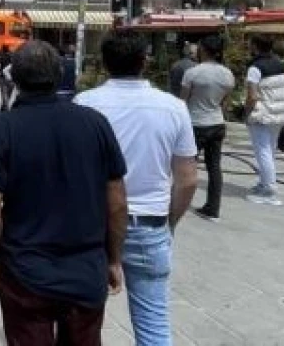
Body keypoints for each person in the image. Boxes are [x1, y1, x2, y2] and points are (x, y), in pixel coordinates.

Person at [0, 41, 128, 346]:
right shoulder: (95, 123)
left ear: (14, 80)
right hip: (85, 269)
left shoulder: (2, 129)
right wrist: (113, 258)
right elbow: (117, 204)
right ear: (60, 75)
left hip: (25, 273)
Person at [76, 31, 198, 346]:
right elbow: (187, 179)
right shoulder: (172, 108)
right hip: (150, 225)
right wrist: (170, 220)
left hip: (93, 228)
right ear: (145, 61)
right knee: (153, 325)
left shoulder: (84, 105)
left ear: (103, 63)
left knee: (83, 324)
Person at [243, 35, 284, 206]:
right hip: (279, 114)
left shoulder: (255, 68)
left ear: (255, 46)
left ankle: (269, 190)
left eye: (250, 43)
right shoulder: (282, 65)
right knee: (269, 150)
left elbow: (252, 95)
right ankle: (264, 183)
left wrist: (247, 113)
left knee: (262, 151)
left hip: (262, 114)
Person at [180, 35, 235, 222]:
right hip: (217, 123)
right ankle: (213, 208)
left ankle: (179, 202)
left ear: (203, 49)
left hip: (194, 124)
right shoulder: (228, 74)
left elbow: (182, 101)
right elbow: (225, 103)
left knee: (186, 167)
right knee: (214, 168)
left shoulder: (193, 73)